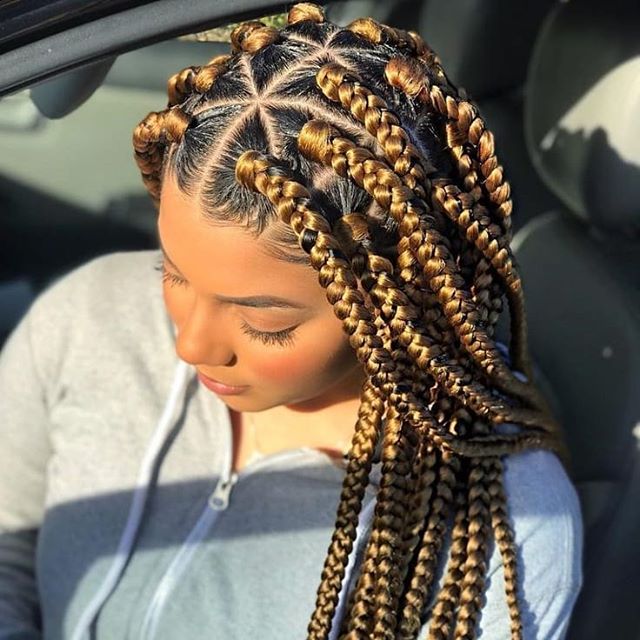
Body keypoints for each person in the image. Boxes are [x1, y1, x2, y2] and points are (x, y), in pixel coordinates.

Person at [0, 3, 583, 639]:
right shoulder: (87, 313)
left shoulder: (502, 530)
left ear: (394, 299)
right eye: (172, 273)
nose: (190, 345)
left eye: (265, 324)